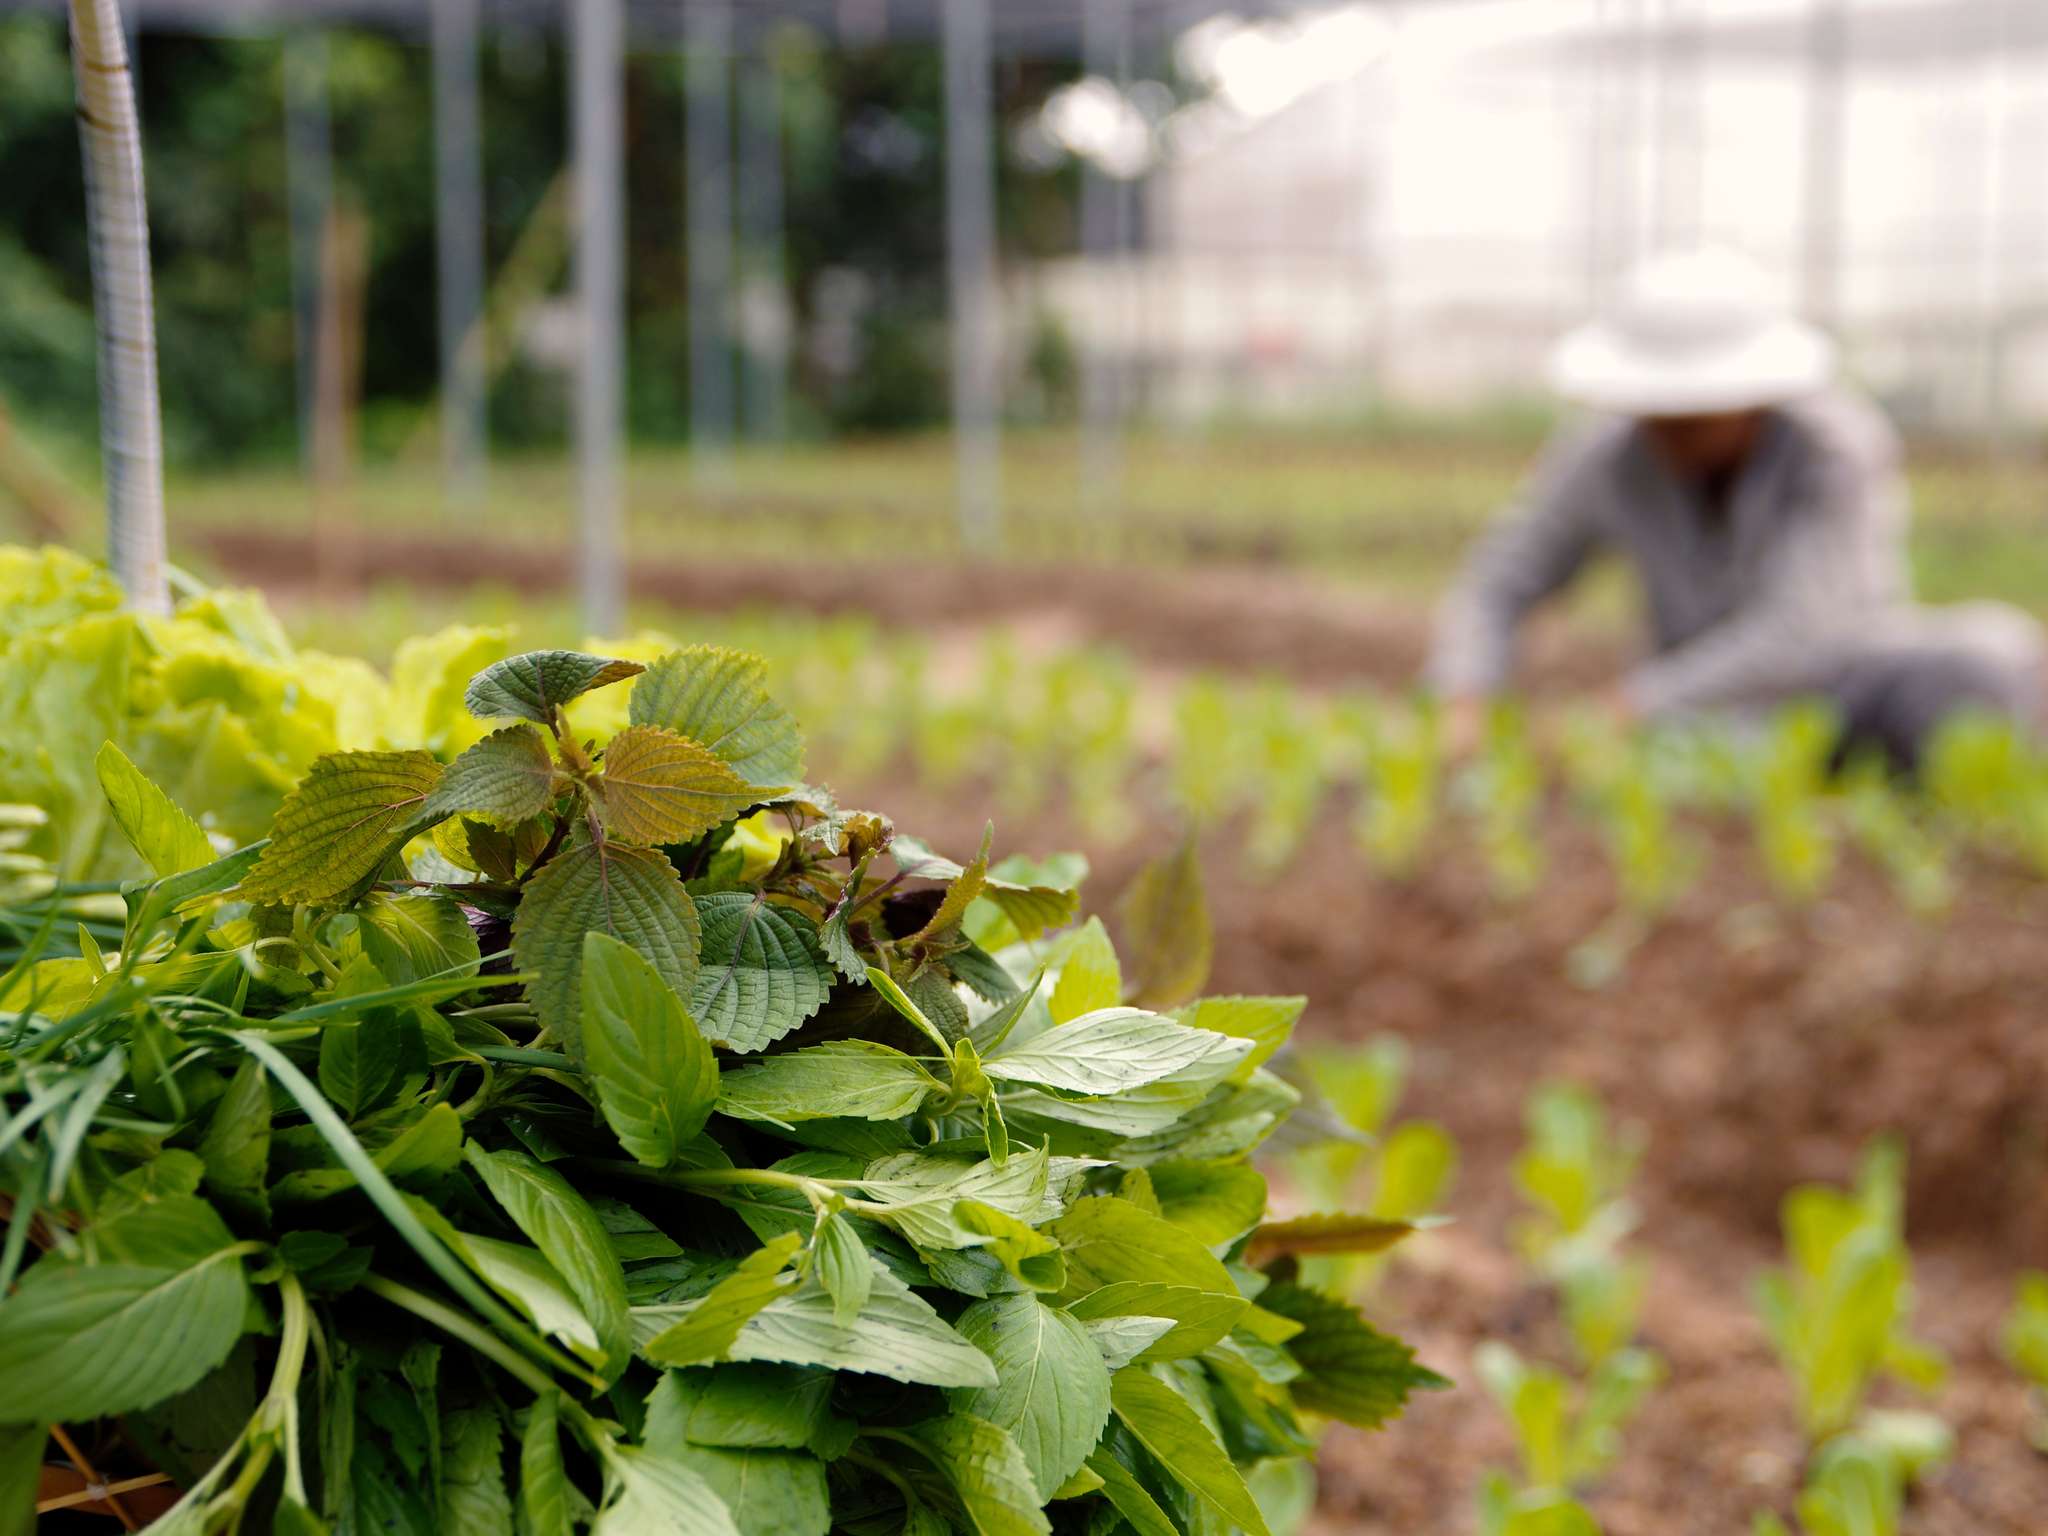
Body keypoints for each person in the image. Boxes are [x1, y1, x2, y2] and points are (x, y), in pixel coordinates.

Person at [1427, 247, 2043, 771]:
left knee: (1987, 660)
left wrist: (1629, 706)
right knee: (1696, 750)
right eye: (1657, 413)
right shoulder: (1610, 454)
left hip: (1836, 692)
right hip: (1702, 720)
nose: (1671, 432)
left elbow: (1800, 639)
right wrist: (1466, 693)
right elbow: (1501, 578)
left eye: (1695, 417)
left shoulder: (1833, 450)